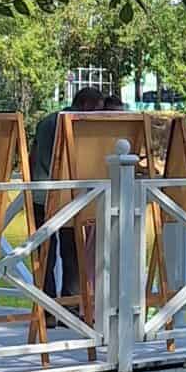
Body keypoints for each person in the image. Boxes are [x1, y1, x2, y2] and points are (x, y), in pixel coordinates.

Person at [30, 85, 119, 300]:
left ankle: (46, 309)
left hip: (40, 193)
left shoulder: (47, 121)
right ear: (87, 105)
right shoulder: (76, 125)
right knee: (72, 253)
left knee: (44, 256)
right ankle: (72, 304)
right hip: (68, 197)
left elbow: (33, 155)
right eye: (98, 111)